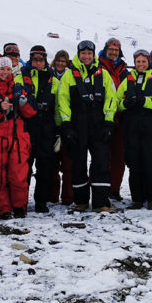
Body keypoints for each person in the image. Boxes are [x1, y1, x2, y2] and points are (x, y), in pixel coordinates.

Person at [57, 40, 118, 212]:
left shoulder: (103, 74)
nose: (86, 56)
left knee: (101, 162)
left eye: (89, 54)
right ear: (78, 54)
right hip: (77, 124)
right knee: (78, 163)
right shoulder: (69, 75)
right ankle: (81, 201)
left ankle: (101, 203)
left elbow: (111, 98)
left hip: (98, 124)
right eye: (83, 53)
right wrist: (66, 125)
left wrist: (108, 122)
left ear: (93, 55)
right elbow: (63, 100)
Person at [0, 57, 37, 219]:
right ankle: (3, 209)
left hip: (18, 137)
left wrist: (24, 103)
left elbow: (32, 113)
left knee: (19, 176)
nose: (5, 72)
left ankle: (19, 207)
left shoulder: (20, 88)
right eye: (2, 69)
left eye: (8, 69)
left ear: (12, 71)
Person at [117, 50, 152, 209]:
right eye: (138, 61)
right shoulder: (127, 79)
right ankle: (137, 199)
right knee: (134, 164)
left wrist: (145, 101)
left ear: (148, 63)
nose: (141, 64)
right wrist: (124, 104)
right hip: (131, 127)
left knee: (150, 162)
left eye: (144, 61)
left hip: (150, 127)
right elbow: (116, 100)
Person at [22, 45, 57, 212]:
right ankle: (21, 200)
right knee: (24, 168)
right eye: (35, 59)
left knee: (44, 168)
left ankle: (41, 202)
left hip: (46, 128)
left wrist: (59, 129)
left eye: (41, 59)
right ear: (30, 60)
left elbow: (59, 105)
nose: (38, 62)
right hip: (27, 127)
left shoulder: (53, 79)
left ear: (45, 60)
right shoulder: (21, 77)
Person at [99, 38, 129, 201]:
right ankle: (99, 188)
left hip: (120, 117)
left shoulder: (124, 69)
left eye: (116, 50)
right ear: (105, 50)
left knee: (118, 156)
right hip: (102, 116)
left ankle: (114, 189)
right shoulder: (98, 67)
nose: (113, 52)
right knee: (101, 155)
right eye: (110, 49)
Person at [50, 50, 74, 205]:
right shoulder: (48, 76)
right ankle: (52, 196)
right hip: (51, 125)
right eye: (58, 60)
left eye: (63, 61)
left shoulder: (71, 77)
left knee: (68, 164)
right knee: (52, 165)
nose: (60, 63)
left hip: (68, 125)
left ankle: (68, 197)